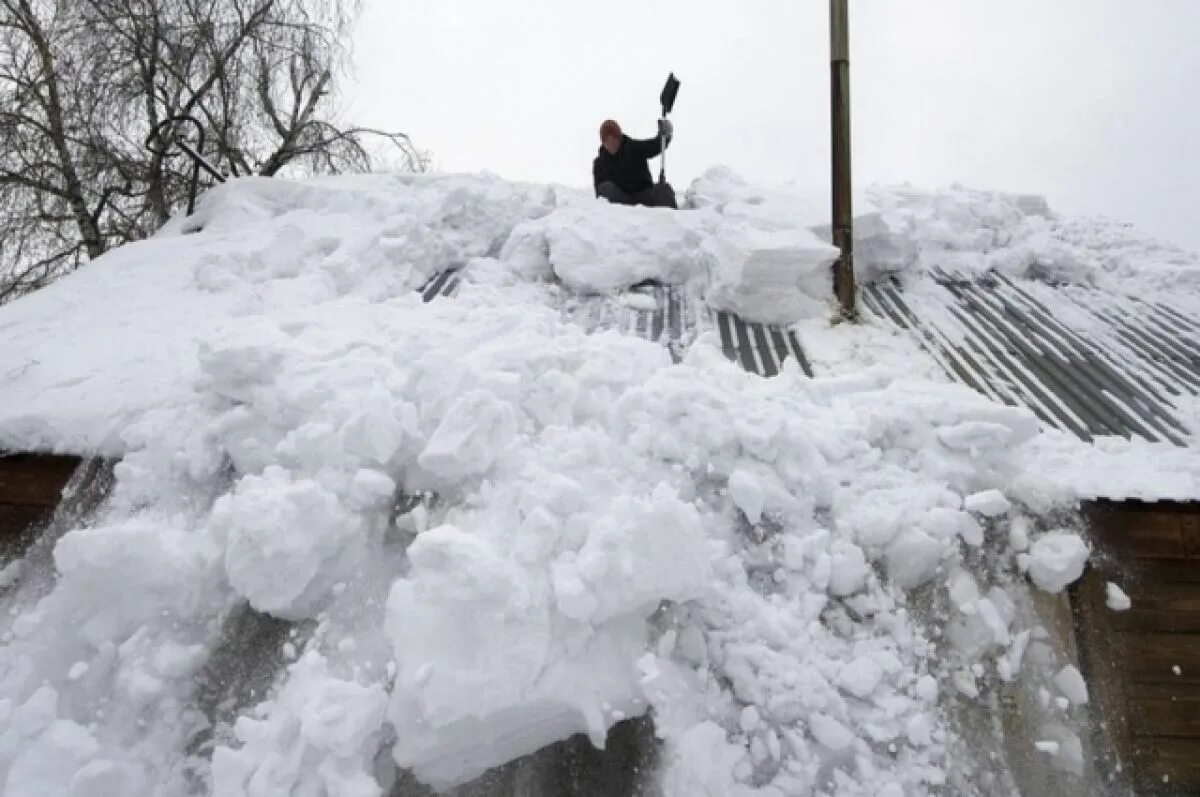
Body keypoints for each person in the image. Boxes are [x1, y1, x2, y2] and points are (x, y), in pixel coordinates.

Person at [593, 119, 677, 209]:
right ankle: (612, 219)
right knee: (605, 188)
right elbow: (600, 193)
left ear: (619, 138)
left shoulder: (633, 147)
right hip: (620, 200)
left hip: (644, 195)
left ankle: (670, 220)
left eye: (614, 139)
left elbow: (655, 146)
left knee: (663, 189)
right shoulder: (600, 163)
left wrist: (665, 136)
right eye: (606, 140)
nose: (611, 143)